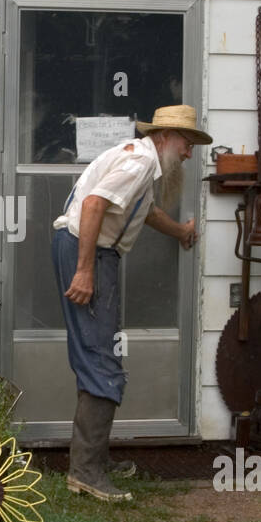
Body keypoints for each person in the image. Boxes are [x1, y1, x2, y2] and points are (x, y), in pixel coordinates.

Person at [52, 104, 212, 501]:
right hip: (87, 250)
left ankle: (93, 462)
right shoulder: (140, 161)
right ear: (163, 137)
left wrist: (179, 232)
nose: (189, 153)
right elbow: (93, 206)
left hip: (92, 251)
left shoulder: (143, 163)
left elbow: (146, 211)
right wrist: (85, 270)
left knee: (99, 352)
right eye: (186, 143)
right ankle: (86, 472)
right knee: (99, 357)